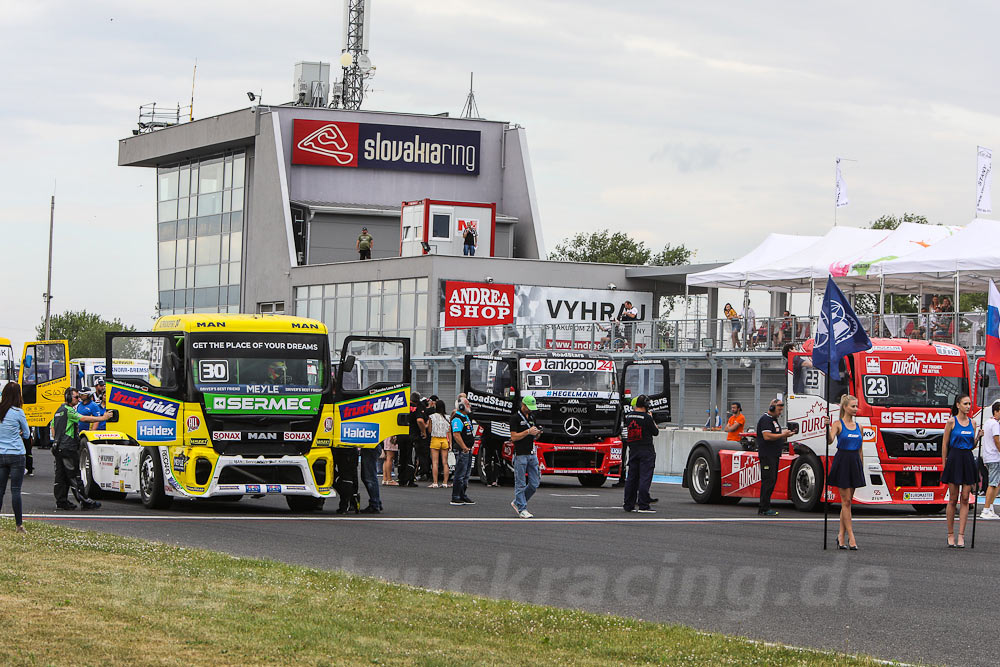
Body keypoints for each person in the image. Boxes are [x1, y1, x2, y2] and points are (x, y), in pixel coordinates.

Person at [52, 387, 111, 510]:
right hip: (68, 447)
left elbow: (52, 427)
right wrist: (103, 418)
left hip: (58, 447)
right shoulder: (69, 410)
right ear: (68, 397)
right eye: (76, 397)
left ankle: (61, 501)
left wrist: (57, 439)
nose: (78, 399)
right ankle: (84, 501)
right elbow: (83, 418)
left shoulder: (58, 410)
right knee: (74, 475)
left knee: (61, 476)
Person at [827, 395, 866, 549]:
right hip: (842, 461)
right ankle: (851, 537)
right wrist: (826, 428)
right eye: (853, 406)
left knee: (848, 502)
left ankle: (840, 536)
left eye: (856, 406)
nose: (856, 409)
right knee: (846, 501)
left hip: (854, 462)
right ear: (845, 407)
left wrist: (861, 466)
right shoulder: (838, 424)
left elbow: (860, 449)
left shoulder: (859, 427)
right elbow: (830, 440)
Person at [941, 393, 979, 547]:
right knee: (953, 498)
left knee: (965, 497)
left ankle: (961, 535)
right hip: (954, 458)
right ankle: (950, 534)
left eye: (969, 404)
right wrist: (944, 464)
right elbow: (944, 444)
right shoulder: (951, 422)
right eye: (965, 404)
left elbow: (971, 445)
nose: (968, 407)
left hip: (967, 459)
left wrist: (977, 438)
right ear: (958, 405)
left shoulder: (973, 423)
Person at [0, 383, 30, 533]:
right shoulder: (18, 412)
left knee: (0, 490)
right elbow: (26, 434)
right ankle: (18, 524)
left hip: (1, 453)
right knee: (16, 490)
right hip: (16, 453)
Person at [755, 399, 793, 516]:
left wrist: (786, 435)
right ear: (772, 408)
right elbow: (766, 436)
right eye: (779, 410)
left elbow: (777, 436)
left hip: (774, 454)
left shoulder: (774, 421)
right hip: (767, 455)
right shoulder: (766, 419)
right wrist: (783, 435)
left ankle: (766, 506)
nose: (780, 412)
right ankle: (763, 508)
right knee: (768, 480)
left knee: (772, 480)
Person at [622, 395, 659, 513]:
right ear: (646, 405)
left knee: (632, 478)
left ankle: (628, 504)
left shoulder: (629, 416)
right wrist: (652, 419)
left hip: (633, 450)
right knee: (645, 477)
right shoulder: (647, 418)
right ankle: (643, 504)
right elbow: (655, 432)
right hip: (646, 450)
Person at [510, 396, 542, 518]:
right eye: (529, 408)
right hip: (520, 455)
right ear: (523, 405)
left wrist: (537, 433)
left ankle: (518, 502)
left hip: (532, 453)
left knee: (534, 483)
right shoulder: (515, 418)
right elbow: (513, 437)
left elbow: (534, 436)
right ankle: (522, 508)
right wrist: (528, 432)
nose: (530, 410)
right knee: (520, 483)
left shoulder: (532, 417)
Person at [449, 399, 475, 505]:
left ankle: (462, 495)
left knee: (466, 474)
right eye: (467, 404)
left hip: (468, 449)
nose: (469, 405)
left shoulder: (466, 417)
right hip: (462, 450)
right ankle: (455, 496)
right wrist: (464, 447)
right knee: (460, 474)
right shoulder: (457, 418)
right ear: (461, 406)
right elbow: (456, 434)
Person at [396, 392, 424, 487]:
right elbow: (419, 420)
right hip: (412, 435)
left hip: (401, 434)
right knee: (410, 458)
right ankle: (409, 479)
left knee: (401, 457)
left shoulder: (402, 405)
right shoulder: (417, 407)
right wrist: (423, 431)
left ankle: (401, 479)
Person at [979, 401, 1000, 520]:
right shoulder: (995, 424)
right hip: (995, 457)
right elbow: (997, 440)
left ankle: (990, 507)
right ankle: (986, 509)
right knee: (993, 484)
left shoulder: (987, 422)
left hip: (988, 456)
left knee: (995, 482)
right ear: (996, 411)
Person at [428, 399, 452, 488]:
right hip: (445, 440)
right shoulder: (448, 417)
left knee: (435, 462)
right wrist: (450, 443)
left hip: (435, 439)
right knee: (445, 462)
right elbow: (449, 431)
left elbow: (429, 430)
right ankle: (445, 482)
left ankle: (435, 482)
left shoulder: (432, 417)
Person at [332, 445, 360, 514]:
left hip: (343, 447)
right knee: (350, 476)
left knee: (346, 478)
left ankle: (346, 504)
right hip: (348, 447)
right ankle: (353, 499)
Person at [359, 443, 382, 514]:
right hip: (370, 446)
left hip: (370, 446)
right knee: (367, 477)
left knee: (369, 477)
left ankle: (375, 504)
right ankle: (376, 502)